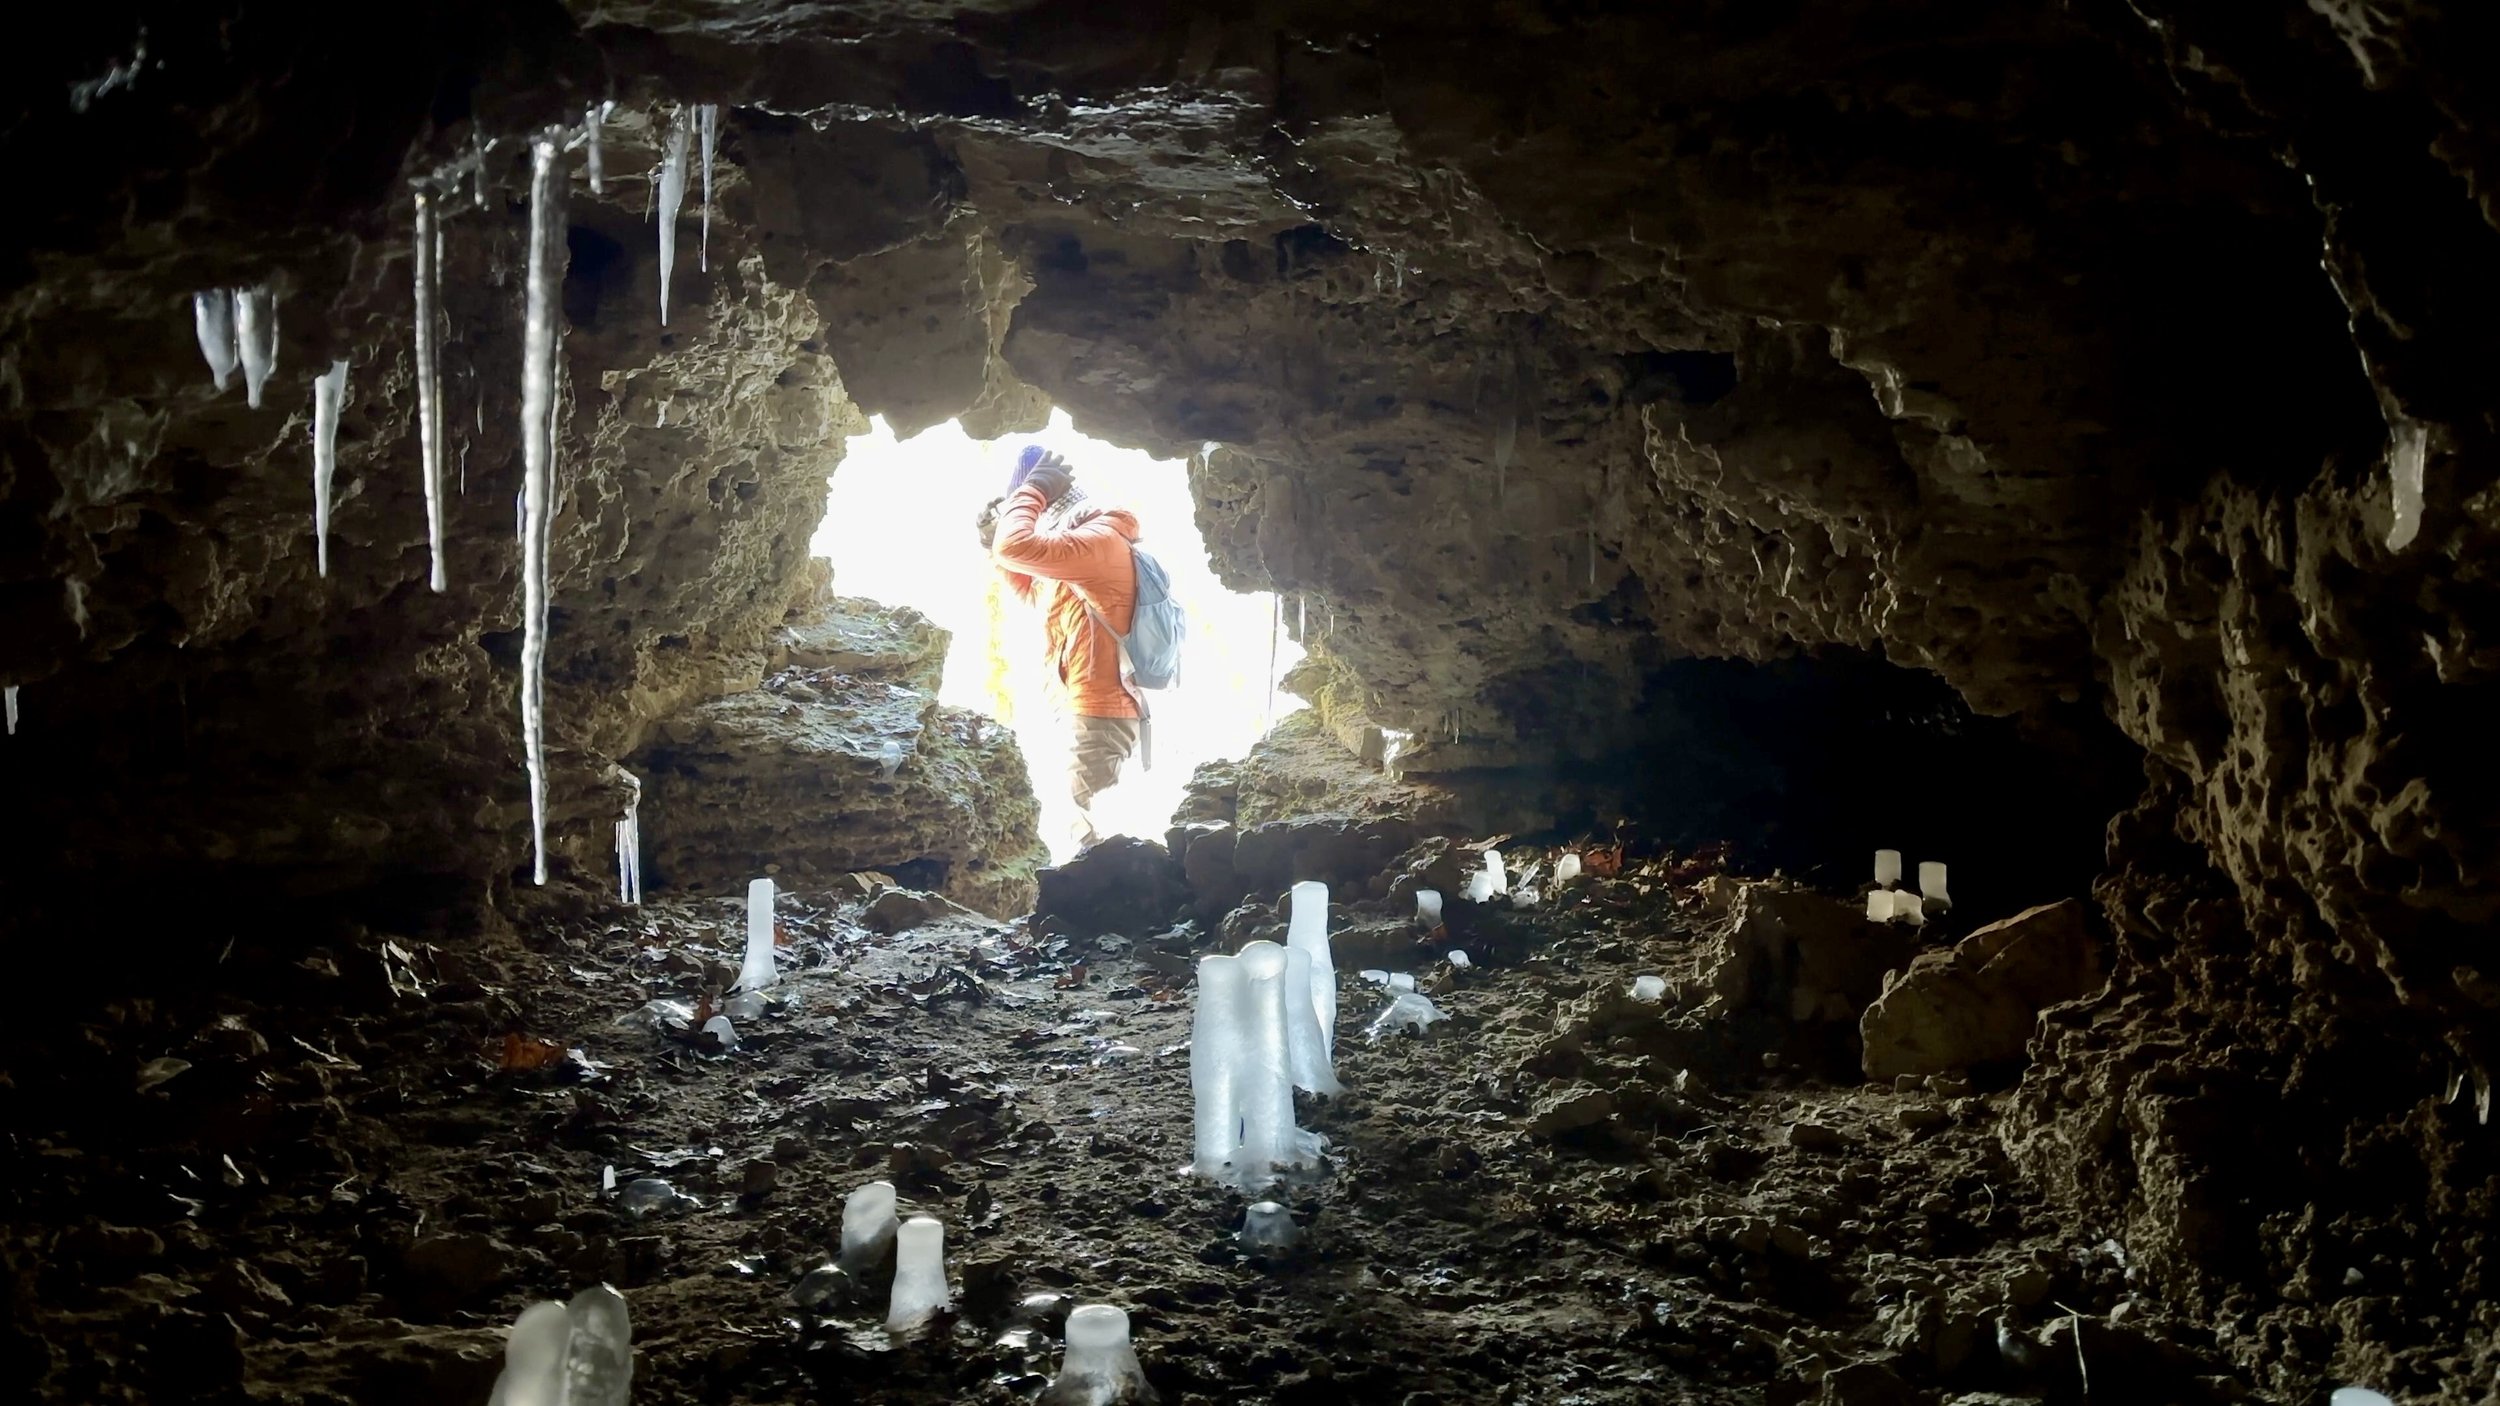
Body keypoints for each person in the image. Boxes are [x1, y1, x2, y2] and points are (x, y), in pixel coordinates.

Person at [979, 446, 1143, 851]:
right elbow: (1038, 593)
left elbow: (1015, 548)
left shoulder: (1098, 540)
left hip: (1101, 708)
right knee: (1081, 826)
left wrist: (1030, 490)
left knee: (1092, 837)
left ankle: (1100, 909)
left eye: (1029, 506)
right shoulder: (1078, 546)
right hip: (1083, 706)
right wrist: (993, 546)